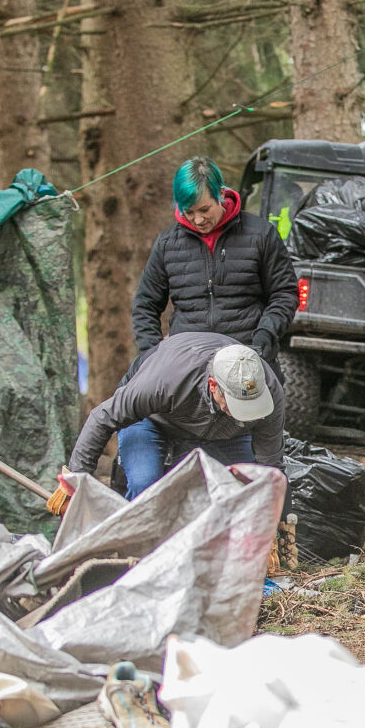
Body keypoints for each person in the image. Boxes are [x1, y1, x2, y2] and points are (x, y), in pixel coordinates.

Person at [48, 332, 285, 513]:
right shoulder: (163, 380)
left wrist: (273, 522)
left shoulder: (269, 392)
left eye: (249, 406)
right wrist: (75, 482)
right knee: (145, 484)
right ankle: (133, 552)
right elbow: (102, 418)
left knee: (241, 492)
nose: (245, 411)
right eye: (236, 405)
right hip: (151, 420)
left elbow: (269, 467)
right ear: (214, 386)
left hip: (224, 432)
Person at [131, 156, 297, 362]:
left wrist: (266, 333)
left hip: (249, 358)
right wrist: (151, 355)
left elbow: (284, 293)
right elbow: (145, 305)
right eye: (188, 212)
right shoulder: (167, 244)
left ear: (220, 193)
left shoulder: (261, 235)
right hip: (187, 363)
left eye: (204, 209)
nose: (198, 220)